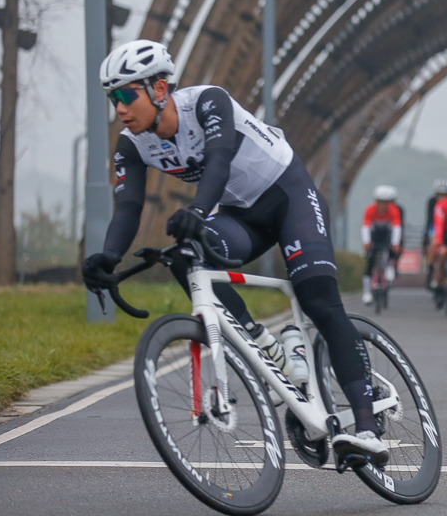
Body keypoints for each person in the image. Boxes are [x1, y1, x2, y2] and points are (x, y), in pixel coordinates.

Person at [82, 40, 388, 465]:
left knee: (318, 299)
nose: (119, 108)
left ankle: (369, 429)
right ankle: (265, 343)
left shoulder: (207, 101)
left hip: (288, 196)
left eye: (125, 95)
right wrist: (108, 257)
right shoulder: (133, 144)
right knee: (186, 256)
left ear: (159, 89)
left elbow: (220, 159)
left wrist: (195, 210)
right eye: (112, 98)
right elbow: (129, 207)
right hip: (242, 214)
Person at [361, 185, 402, 305]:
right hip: (375, 236)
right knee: (370, 262)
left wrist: (395, 243)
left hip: (386, 236)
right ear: (376, 201)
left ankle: (389, 266)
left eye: (385, 202)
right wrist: (366, 242)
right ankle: (367, 291)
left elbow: (396, 228)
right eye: (380, 202)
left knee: (392, 250)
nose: (383, 205)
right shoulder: (369, 209)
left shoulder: (394, 210)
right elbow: (366, 227)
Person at [422, 179, 447, 250]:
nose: (442, 198)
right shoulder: (432, 201)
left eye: (444, 195)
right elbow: (430, 219)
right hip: (435, 226)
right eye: (440, 195)